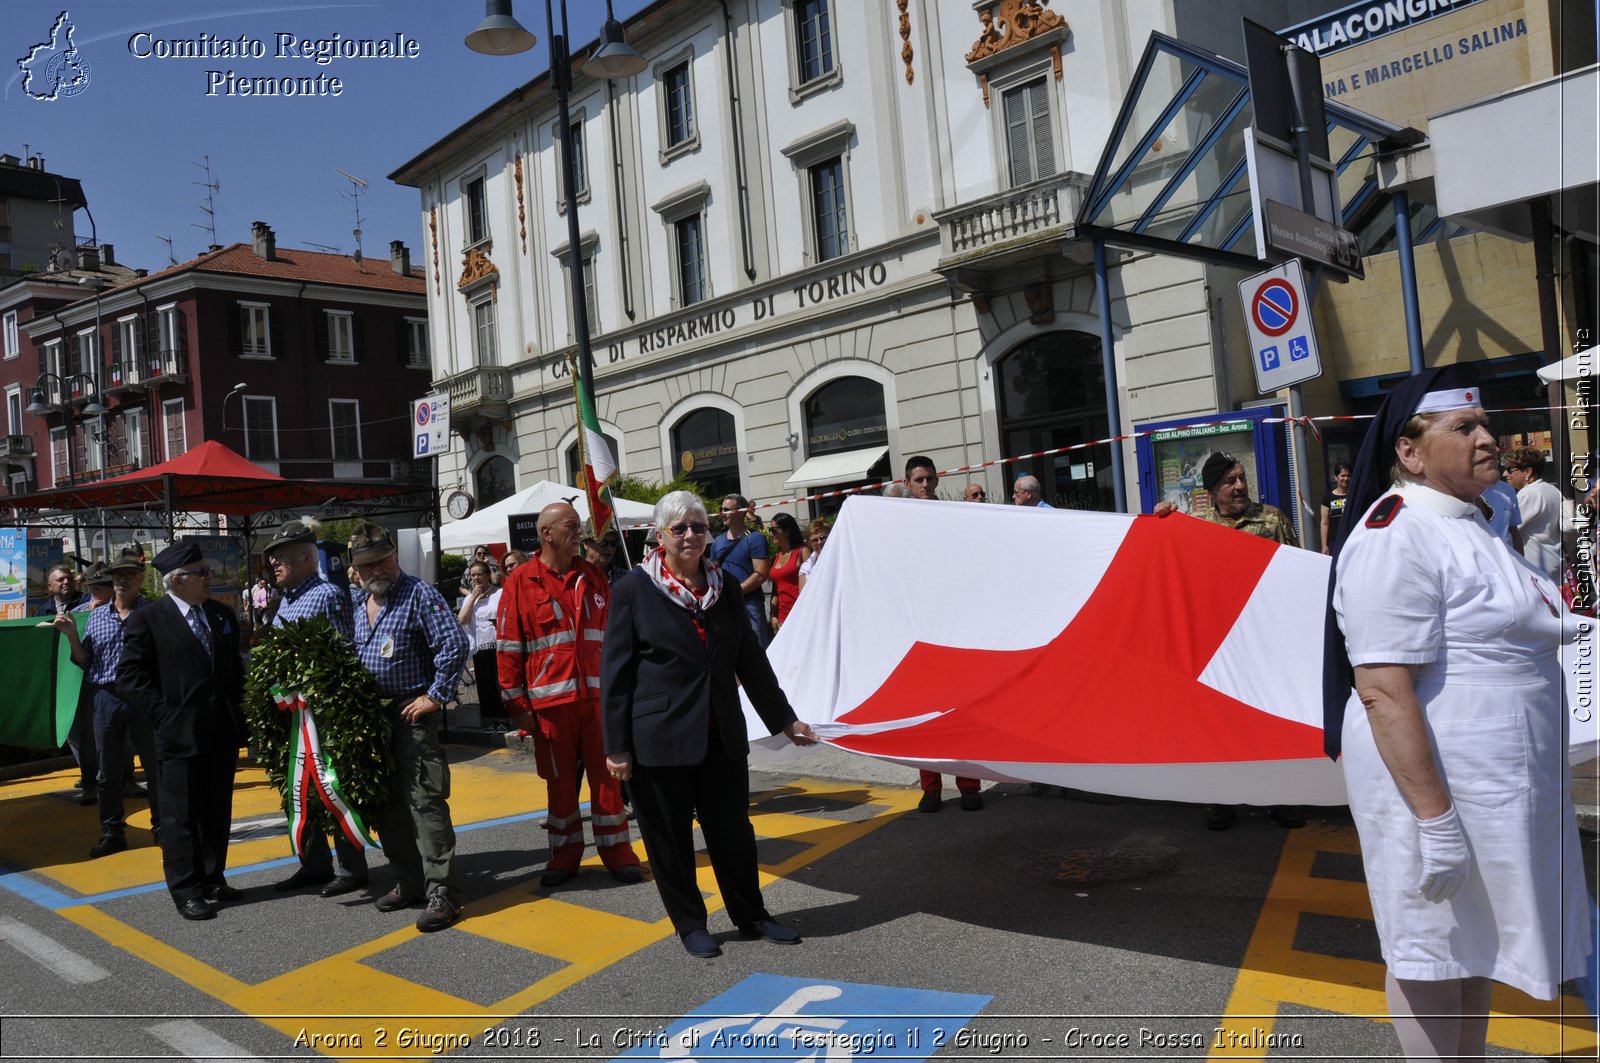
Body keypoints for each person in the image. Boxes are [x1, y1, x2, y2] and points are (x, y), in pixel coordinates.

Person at [1323, 364, 1590, 1060]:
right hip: (1437, 793)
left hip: (1494, 791)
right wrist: (1435, 821)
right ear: (1409, 452)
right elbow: (1384, 687)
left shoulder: (1474, 521)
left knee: (1474, 946)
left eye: (1485, 424)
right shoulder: (1395, 532)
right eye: (1464, 427)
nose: (1487, 438)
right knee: (1430, 950)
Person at [601, 491, 817, 958]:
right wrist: (615, 745)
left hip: (721, 732)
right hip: (658, 737)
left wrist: (784, 719)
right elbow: (615, 672)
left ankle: (751, 914)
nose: (690, 536)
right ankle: (690, 923)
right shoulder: (633, 590)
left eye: (698, 526)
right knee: (670, 840)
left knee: (733, 832)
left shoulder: (725, 587)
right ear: (659, 536)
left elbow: (750, 661)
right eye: (678, 528)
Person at [498, 503, 642, 887]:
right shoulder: (520, 581)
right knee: (559, 783)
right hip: (549, 704)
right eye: (572, 526)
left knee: (608, 778)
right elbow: (509, 647)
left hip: (598, 701)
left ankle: (617, 852)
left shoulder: (594, 576)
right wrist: (517, 706)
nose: (581, 533)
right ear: (546, 533)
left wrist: (623, 696)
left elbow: (616, 640)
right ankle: (564, 855)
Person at [1158, 453, 1302, 829]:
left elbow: (1298, 571)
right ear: (1212, 489)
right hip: (1220, 648)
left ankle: (1281, 798)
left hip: (1268, 644)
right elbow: (1171, 563)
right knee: (1219, 725)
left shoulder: (1271, 520)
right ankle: (1221, 799)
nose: (1239, 486)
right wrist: (1161, 519)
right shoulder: (1195, 526)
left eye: (1241, 479)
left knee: (1271, 724)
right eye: (1230, 481)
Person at [347, 522, 470, 933]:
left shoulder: (419, 593)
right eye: (367, 565)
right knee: (389, 806)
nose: (376, 569)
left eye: (382, 560)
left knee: (425, 803)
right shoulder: (359, 603)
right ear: (356, 569)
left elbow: (454, 644)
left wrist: (435, 696)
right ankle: (409, 881)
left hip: (412, 717)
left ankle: (443, 893)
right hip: (373, 720)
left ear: (394, 557)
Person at [117, 542, 246, 922]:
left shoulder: (220, 615)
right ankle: (186, 889)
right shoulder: (148, 619)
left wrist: (244, 716)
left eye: (208, 570)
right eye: (202, 573)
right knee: (180, 816)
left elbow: (233, 674)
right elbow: (130, 676)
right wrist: (164, 715)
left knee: (216, 810)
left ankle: (213, 878)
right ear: (177, 581)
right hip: (177, 734)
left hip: (219, 732)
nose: (211, 578)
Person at [262, 521, 369, 898]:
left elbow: (343, 653)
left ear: (307, 558)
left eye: (282, 558)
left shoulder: (326, 595)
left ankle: (351, 868)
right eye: (274, 558)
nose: (274, 563)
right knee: (300, 789)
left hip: (320, 711)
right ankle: (314, 864)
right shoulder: (286, 599)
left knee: (330, 785)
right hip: (292, 713)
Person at [55, 548, 158, 858]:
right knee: (107, 773)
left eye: (128, 575)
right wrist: (72, 635)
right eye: (117, 576)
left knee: (155, 767)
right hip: (106, 698)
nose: (122, 581)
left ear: (140, 578)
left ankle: (162, 828)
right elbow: (86, 661)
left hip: (142, 697)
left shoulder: (153, 613)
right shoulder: (97, 616)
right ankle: (112, 832)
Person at [905, 456, 983, 812]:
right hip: (917, 634)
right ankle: (931, 789)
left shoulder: (956, 515)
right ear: (907, 483)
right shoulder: (896, 521)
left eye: (930, 479)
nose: (925, 485)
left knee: (960, 712)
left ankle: (969, 786)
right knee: (923, 715)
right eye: (919, 479)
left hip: (954, 629)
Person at [709, 494, 770, 647]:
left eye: (727, 509)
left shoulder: (755, 538)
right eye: (721, 509)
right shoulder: (717, 542)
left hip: (750, 604)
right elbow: (713, 572)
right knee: (730, 650)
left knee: (757, 649)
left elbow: (761, 573)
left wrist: (736, 591)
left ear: (742, 511)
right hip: (725, 604)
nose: (722, 513)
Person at [457, 559, 505, 728]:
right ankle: (489, 720)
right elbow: (462, 619)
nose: (476, 578)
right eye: (472, 575)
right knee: (485, 684)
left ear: (487, 575)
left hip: (498, 644)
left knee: (501, 683)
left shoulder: (499, 593)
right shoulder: (470, 598)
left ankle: (504, 719)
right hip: (479, 646)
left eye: (479, 574)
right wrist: (473, 597)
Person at [1504, 446, 1564, 579]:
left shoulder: (1528, 494)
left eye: (1510, 470)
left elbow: (1508, 530)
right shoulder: (1552, 490)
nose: (1505, 474)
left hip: (1537, 566)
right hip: (1555, 560)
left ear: (1528, 472)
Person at [765, 513, 808, 635]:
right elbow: (775, 590)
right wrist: (773, 615)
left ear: (787, 531)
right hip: (781, 618)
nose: (771, 533)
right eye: (770, 529)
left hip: (800, 615)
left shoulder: (802, 552)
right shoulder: (777, 556)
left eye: (774, 530)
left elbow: (812, 585)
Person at [1319, 462, 1352, 555]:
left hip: (1353, 538)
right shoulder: (1328, 498)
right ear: (1336, 477)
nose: (1346, 478)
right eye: (1343, 475)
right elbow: (1324, 523)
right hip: (1335, 542)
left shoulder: (1355, 496)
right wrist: (1324, 545)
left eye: (1348, 476)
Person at [797, 518, 829, 593]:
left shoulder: (841, 558)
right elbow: (803, 596)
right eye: (815, 540)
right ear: (809, 543)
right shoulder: (806, 567)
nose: (819, 542)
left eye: (823, 538)